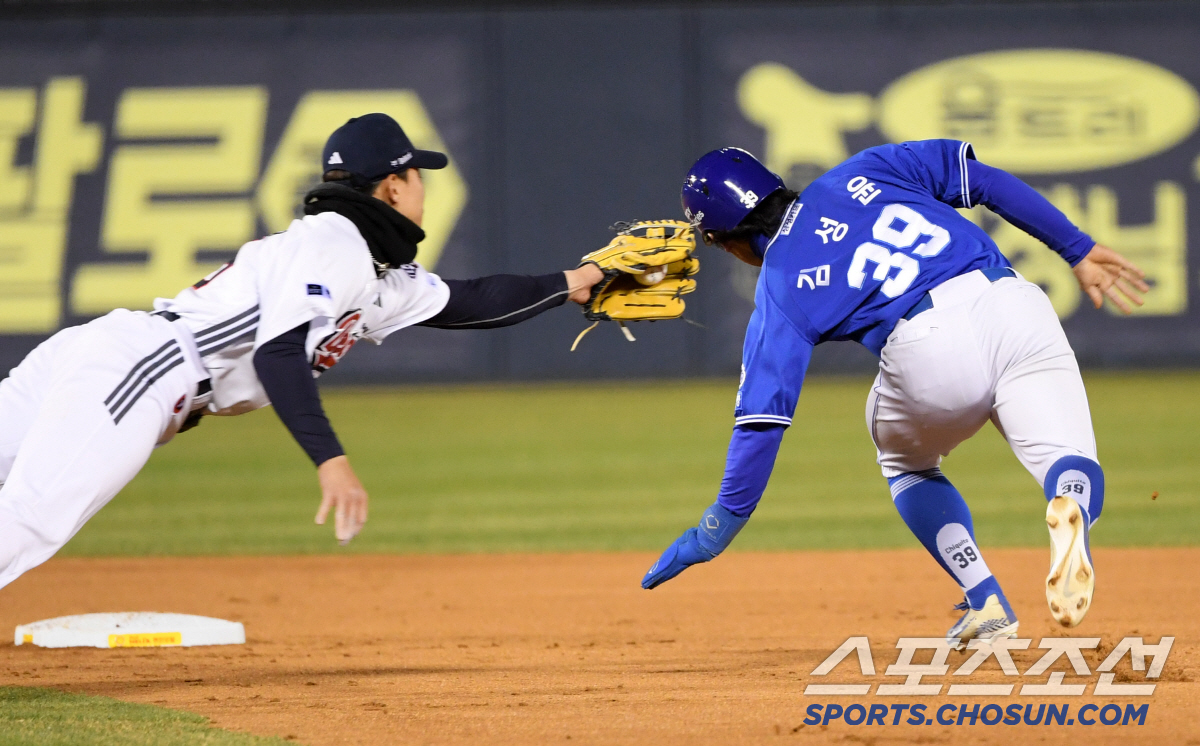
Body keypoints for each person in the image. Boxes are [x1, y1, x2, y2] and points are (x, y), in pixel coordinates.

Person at [0, 113, 603, 589]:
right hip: (145, 370)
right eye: (418, 176)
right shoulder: (334, 244)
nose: (424, 188)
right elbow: (279, 354)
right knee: (32, 517)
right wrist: (330, 459)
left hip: (113, 352)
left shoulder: (374, 272)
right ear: (393, 186)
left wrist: (580, 279)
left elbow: (471, 301)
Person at [642, 141, 1148, 647]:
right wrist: (1076, 249)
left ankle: (986, 600)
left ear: (729, 240)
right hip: (1013, 303)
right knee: (1068, 456)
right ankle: (1071, 502)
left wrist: (719, 526)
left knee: (905, 463)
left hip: (930, 349)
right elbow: (985, 182)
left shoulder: (779, 287)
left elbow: (761, 423)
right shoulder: (869, 168)